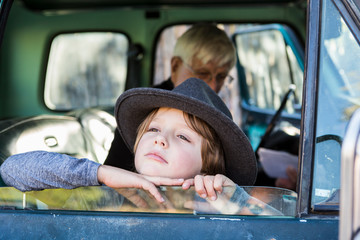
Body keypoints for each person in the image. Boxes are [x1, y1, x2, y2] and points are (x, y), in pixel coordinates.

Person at [0, 78, 257, 207]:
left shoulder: (214, 208)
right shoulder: (103, 194)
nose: (160, 139)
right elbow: (11, 170)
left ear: (207, 168)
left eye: (183, 136)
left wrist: (238, 202)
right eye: (154, 128)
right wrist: (100, 174)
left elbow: (274, 229)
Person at [104, 23, 236, 170]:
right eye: (203, 74)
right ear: (175, 66)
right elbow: (114, 172)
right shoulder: (146, 107)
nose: (213, 86)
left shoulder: (216, 113)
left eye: (221, 77)